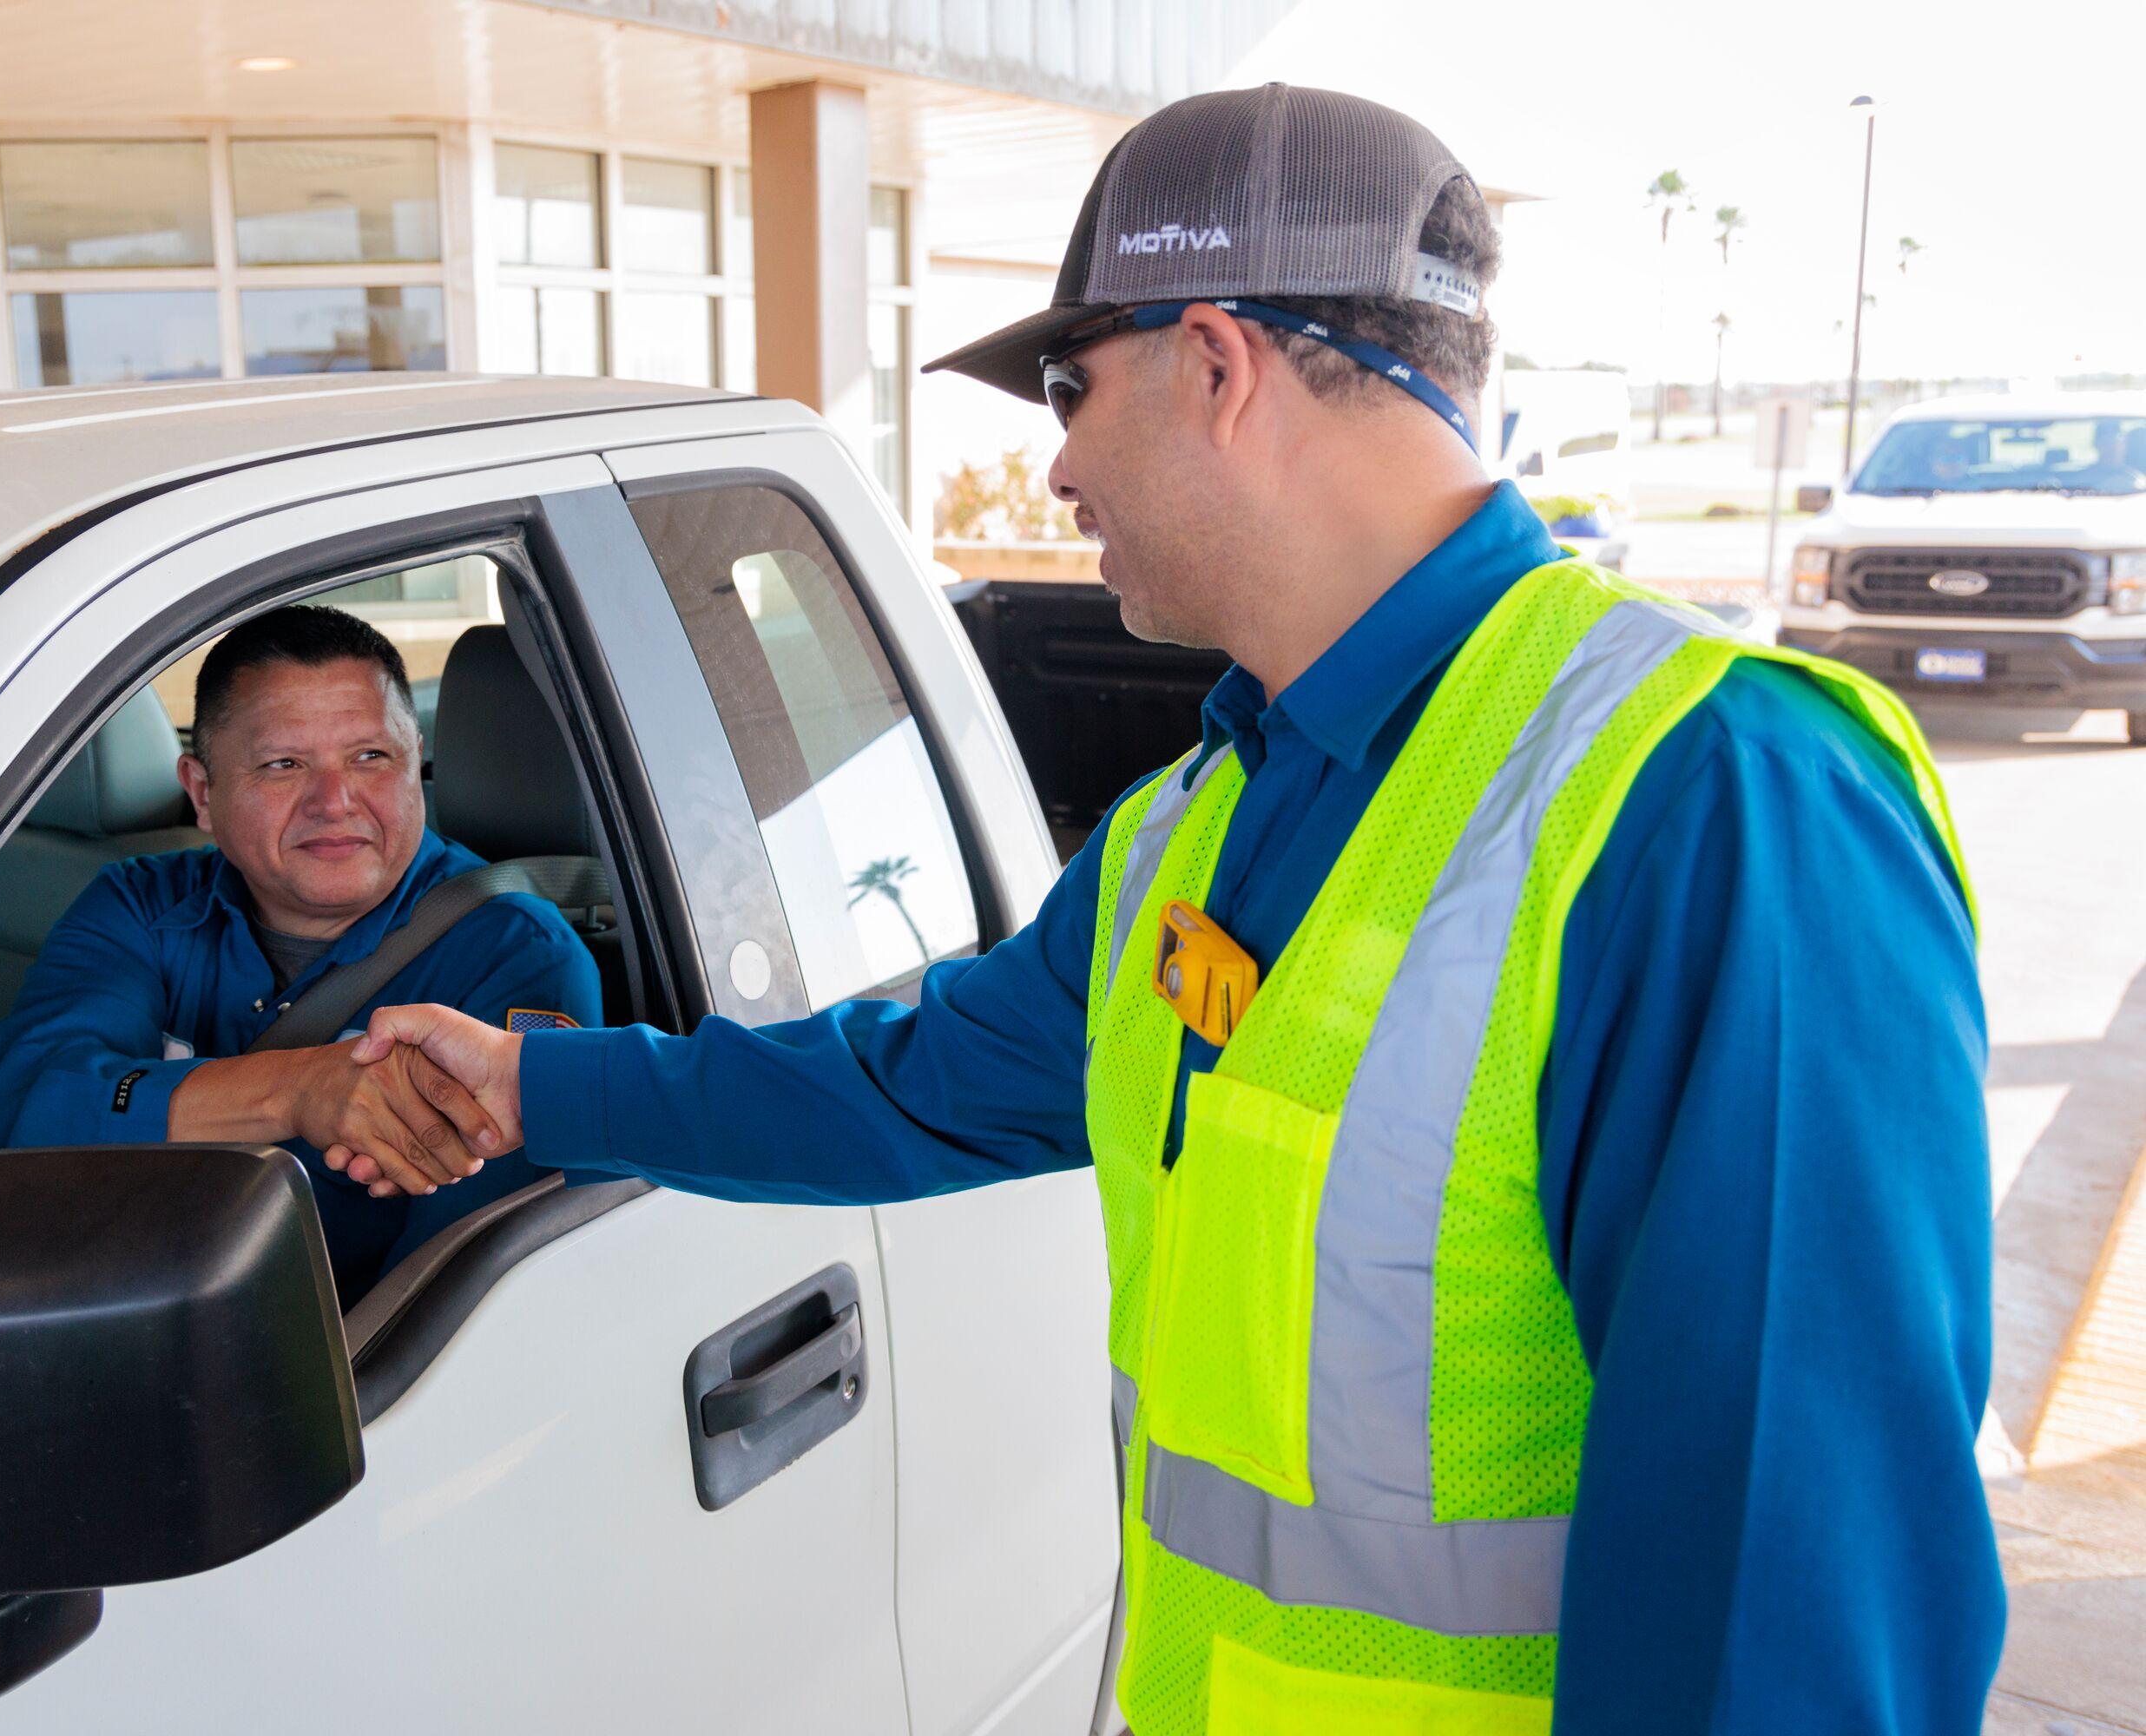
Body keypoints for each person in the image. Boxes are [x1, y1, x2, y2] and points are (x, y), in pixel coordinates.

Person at [339, 86, 2004, 1733]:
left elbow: (1800, 1605)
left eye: (1070, 388)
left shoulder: (1719, 802)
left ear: (1221, 364)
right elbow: (907, 1082)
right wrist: (531, 1083)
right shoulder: (1199, 821)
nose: (1053, 466)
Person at [0, 605, 599, 1304]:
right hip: (103, 1311)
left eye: (370, 757)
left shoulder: (518, 957)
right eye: (283, 764)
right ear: (203, 793)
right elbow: (22, 1115)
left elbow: (470, 1289)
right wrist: (299, 1089)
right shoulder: (140, 907)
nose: (335, 802)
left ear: (414, 762)